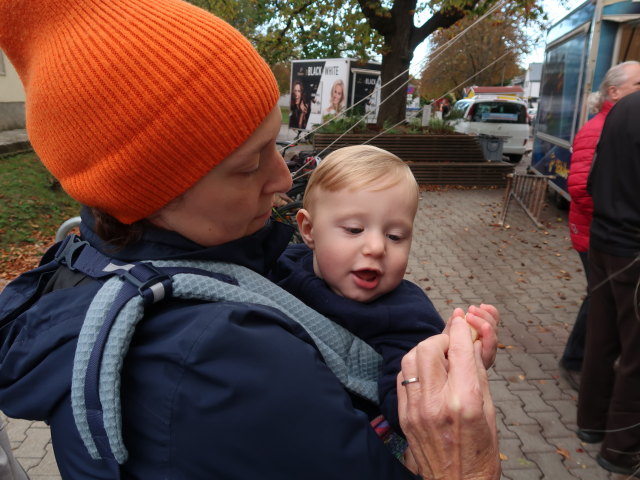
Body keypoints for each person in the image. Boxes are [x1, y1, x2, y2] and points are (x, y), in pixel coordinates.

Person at [0, 0, 501, 478]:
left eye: (275, 145)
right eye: (249, 165)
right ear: (152, 194)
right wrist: (466, 460)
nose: (283, 178)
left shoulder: (109, 259)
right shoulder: (215, 361)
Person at [271, 145, 499, 439]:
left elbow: (413, 406)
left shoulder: (407, 318)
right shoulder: (280, 265)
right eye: (354, 229)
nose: (377, 248)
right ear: (309, 230)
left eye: (395, 236)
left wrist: (454, 369)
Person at [560, 60, 640, 390]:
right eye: (639, 85)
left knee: (600, 296)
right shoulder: (598, 128)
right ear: (614, 91)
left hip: (605, 231)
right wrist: (615, 214)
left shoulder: (618, 123)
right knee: (599, 298)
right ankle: (576, 360)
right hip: (598, 233)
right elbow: (580, 187)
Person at [577, 90, 640, 477]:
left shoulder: (624, 108)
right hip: (632, 246)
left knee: (601, 340)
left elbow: (595, 175)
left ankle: (592, 421)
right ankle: (622, 449)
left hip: (604, 239)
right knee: (635, 353)